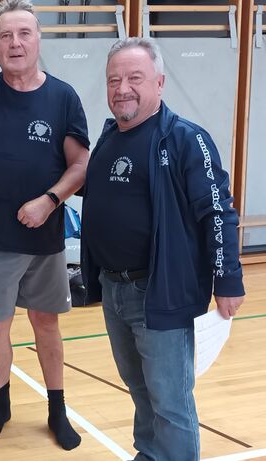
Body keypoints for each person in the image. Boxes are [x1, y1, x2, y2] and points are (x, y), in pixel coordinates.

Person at [80, 37, 245, 461]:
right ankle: (151, 454)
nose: (122, 89)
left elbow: (218, 212)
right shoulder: (109, 136)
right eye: (114, 80)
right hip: (114, 289)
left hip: (160, 291)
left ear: (159, 82)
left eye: (134, 78)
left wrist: (228, 280)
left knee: (170, 401)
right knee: (139, 389)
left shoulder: (185, 139)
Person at [0, 0, 89, 451]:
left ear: (38, 39)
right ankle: (1, 405)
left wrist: (50, 201)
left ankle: (57, 410)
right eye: (5, 36)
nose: (15, 43)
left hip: (45, 239)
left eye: (24, 34)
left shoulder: (63, 97)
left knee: (46, 325)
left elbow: (80, 165)